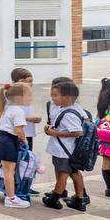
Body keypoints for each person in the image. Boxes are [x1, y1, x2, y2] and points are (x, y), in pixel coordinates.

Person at [42, 80, 89, 212]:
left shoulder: (69, 113)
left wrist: (54, 132)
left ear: (67, 98)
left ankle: (55, 198)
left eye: (55, 96)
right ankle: (79, 200)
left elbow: (78, 132)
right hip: (66, 150)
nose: (52, 99)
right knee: (74, 173)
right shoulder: (73, 109)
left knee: (63, 173)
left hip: (65, 150)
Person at [0, 83, 33, 208]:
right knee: (9, 170)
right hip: (7, 140)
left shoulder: (5, 106)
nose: (30, 99)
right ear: (19, 97)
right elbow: (19, 131)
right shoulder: (18, 111)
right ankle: (11, 198)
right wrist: (25, 141)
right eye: (29, 96)